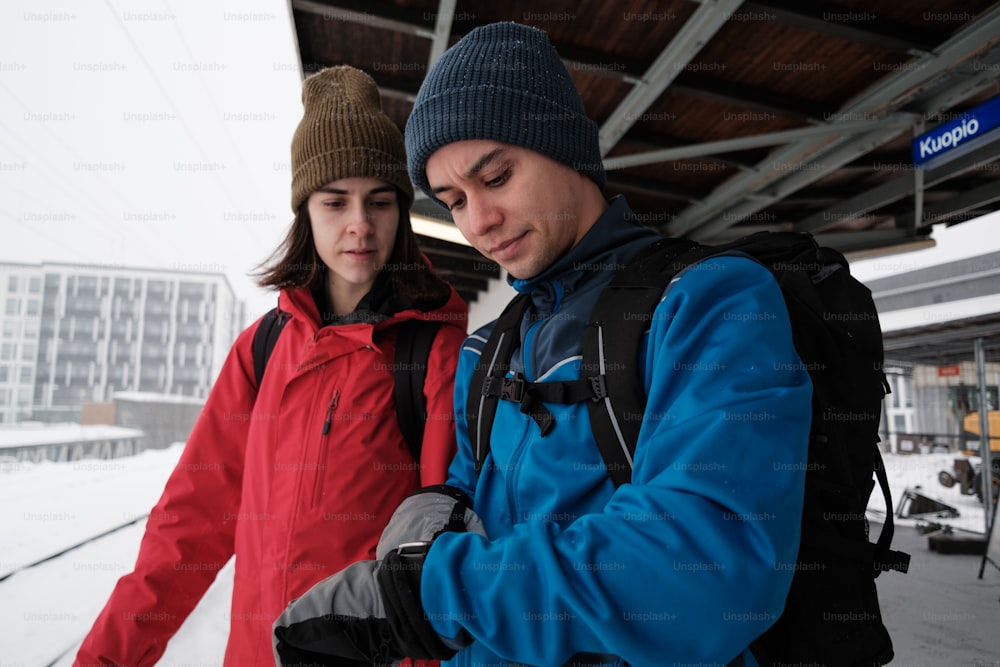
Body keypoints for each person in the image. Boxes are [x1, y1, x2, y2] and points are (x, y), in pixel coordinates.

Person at [272, 23, 813, 667]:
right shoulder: (489, 352)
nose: (478, 222)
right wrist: (436, 508)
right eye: (453, 201)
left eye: (496, 177)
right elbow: (472, 486)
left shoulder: (708, 303)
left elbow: (706, 565)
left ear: (563, 147)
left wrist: (431, 598)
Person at [74, 65, 468, 667]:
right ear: (305, 213)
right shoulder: (260, 352)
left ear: (401, 214)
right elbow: (189, 528)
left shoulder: (433, 354)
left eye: (379, 201)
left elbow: (446, 549)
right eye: (335, 202)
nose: (359, 224)